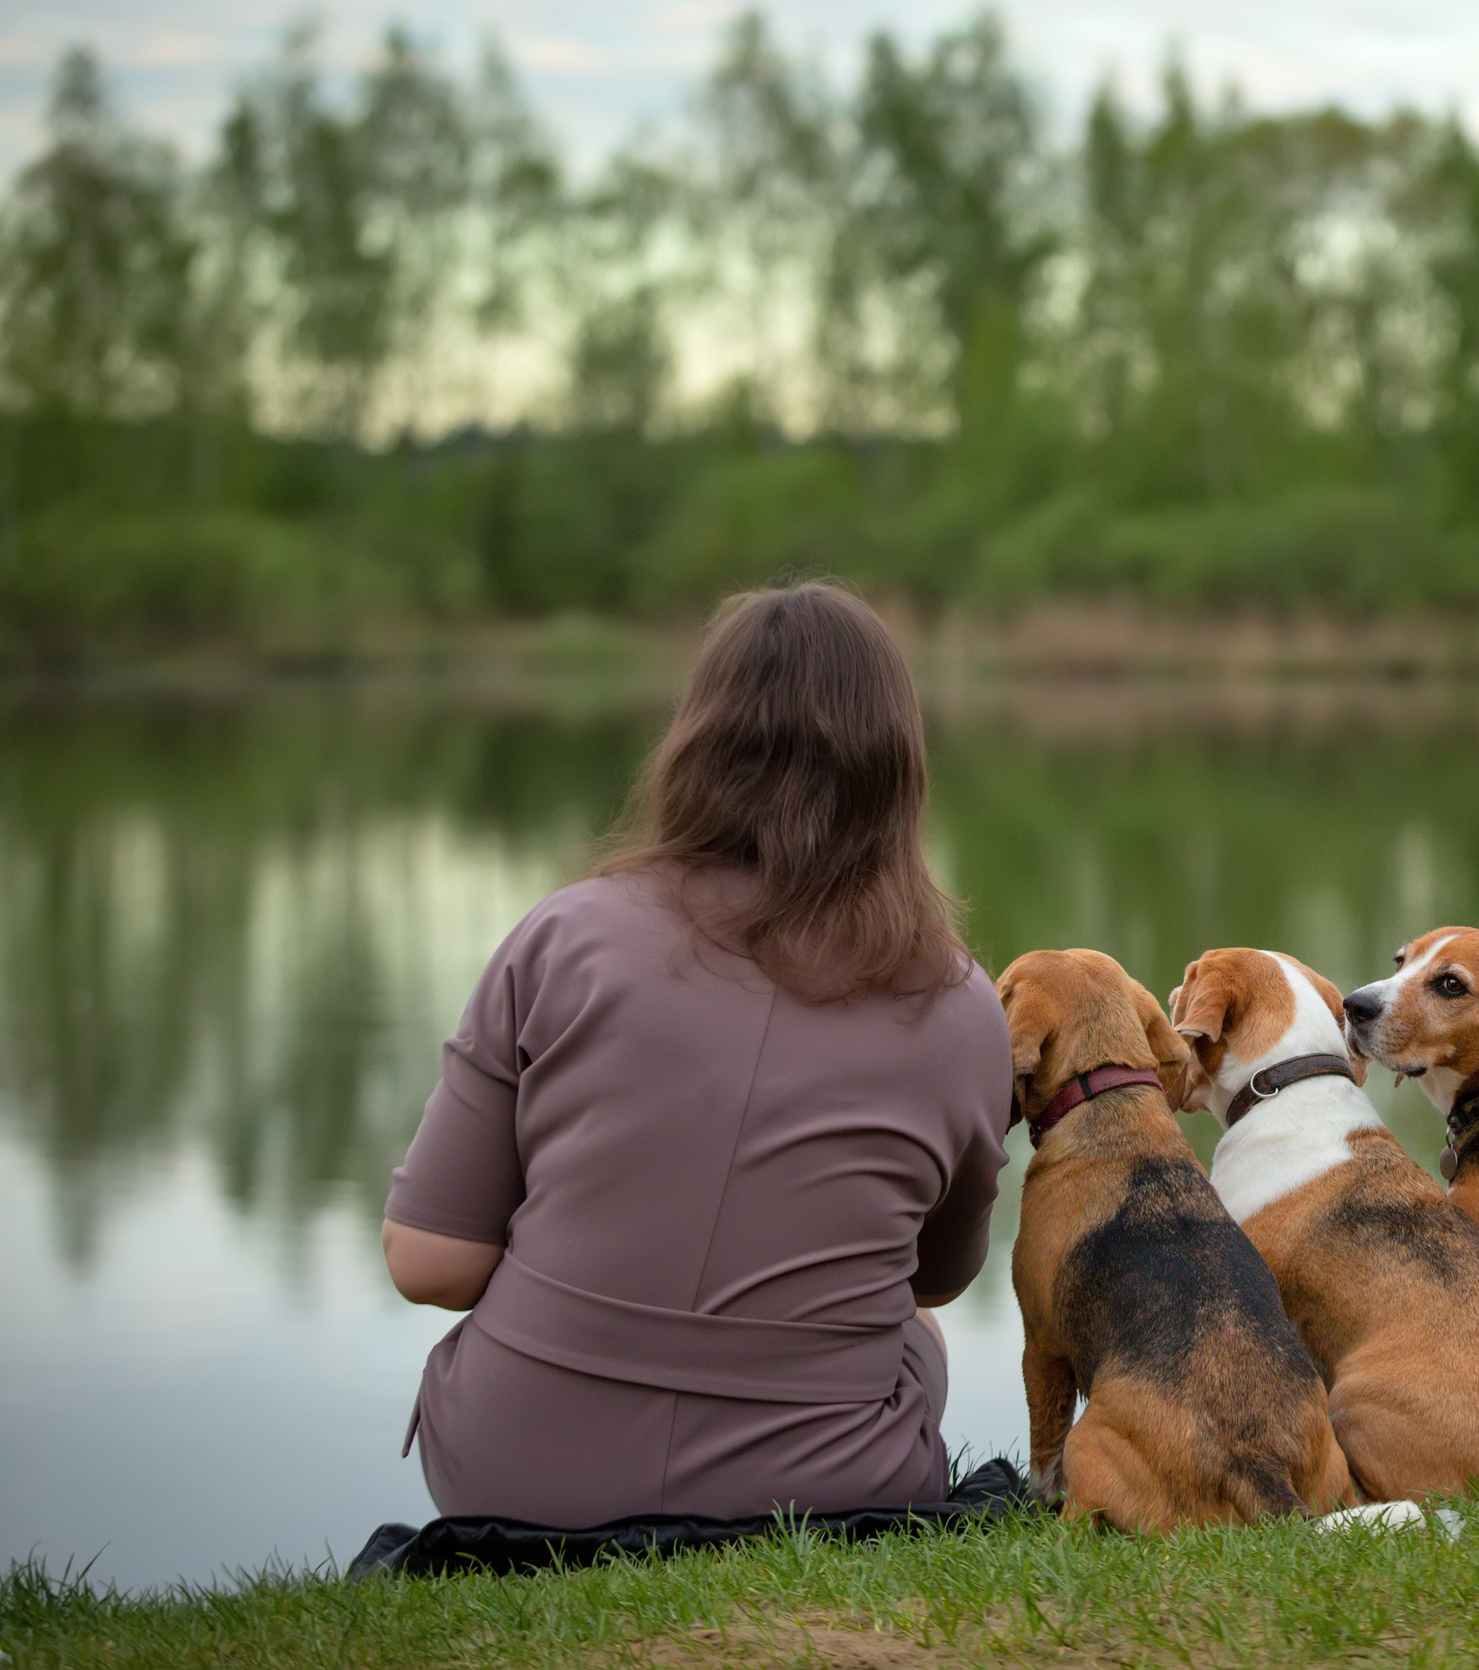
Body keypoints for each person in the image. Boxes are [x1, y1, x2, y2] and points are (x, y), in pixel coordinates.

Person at [380, 582, 1011, 1524]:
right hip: (829, 1487)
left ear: (699, 738)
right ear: (897, 768)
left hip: (515, 1477)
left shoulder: (566, 935)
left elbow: (429, 1262)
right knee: (912, 1328)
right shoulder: (958, 1004)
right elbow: (935, 1278)